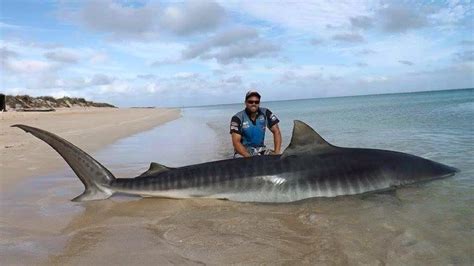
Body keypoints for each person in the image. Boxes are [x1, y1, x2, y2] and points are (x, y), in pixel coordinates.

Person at [230, 90, 282, 158]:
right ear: (245, 103)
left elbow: (276, 131)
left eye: (256, 102)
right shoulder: (237, 118)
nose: (254, 104)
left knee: (278, 158)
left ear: (259, 103)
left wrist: (277, 153)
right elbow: (236, 142)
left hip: (261, 149)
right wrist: (249, 158)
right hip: (243, 151)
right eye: (250, 102)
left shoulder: (265, 112)